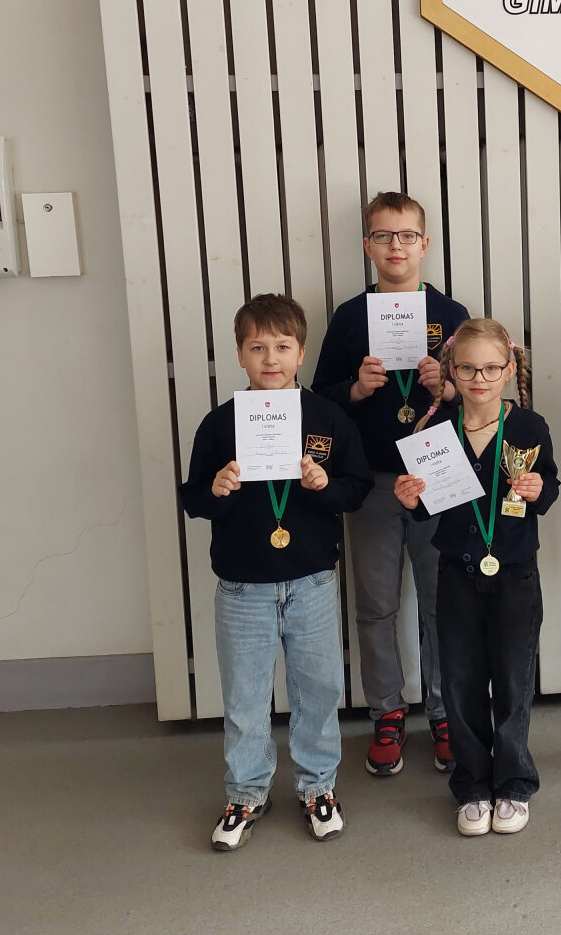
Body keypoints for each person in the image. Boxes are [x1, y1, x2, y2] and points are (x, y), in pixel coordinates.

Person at [180, 294, 372, 850]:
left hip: (312, 582)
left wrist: (324, 487)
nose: (270, 359)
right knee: (244, 698)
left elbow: (357, 488)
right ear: (239, 354)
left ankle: (318, 786)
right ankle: (246, 791)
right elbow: (193, 498)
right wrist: (216, 490)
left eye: (282, 347)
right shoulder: (220, 424)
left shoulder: (327, 419)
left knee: (319, 691)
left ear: (301, 352)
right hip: (243, 587)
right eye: (257, 347)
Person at [311, 192, 469, 776]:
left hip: (436, 475)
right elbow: (321, 399)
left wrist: (446, 389)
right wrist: (356, 389)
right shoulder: (350, 317)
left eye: (406, 236)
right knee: (376, 604)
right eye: (383, 236)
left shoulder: (451, 313)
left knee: (441, 601)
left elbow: (480, 393)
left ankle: (445, 711)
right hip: (373, 481)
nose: (395, 246)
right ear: (367, 246)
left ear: (424, 244)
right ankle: (387, 712)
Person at [394, 318, 559, 836]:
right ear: (452, 372)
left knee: (513, 681)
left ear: (509, 370)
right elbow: (427, 507)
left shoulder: (529, 427)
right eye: (467, 369)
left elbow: (549, 487)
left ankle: (513, 782)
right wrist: (410, 500)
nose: (479, 378)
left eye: (490, 368)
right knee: (460, 683)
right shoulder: (435, 433)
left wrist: (539, 490)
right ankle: (471, 785)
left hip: (515, 574)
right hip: (457, 574)